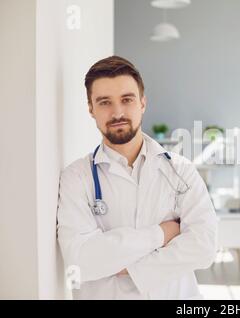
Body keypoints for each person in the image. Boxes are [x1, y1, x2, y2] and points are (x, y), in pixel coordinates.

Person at [56, 56, 217, 300]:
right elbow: (81, 262)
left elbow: (204, 247)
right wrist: (162, 234)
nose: (117, 112)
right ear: (91, 109)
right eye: (104, 102)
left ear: (142, 103)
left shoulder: (181, 170)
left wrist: (130, 268)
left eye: (127, 99)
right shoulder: (76, 177)